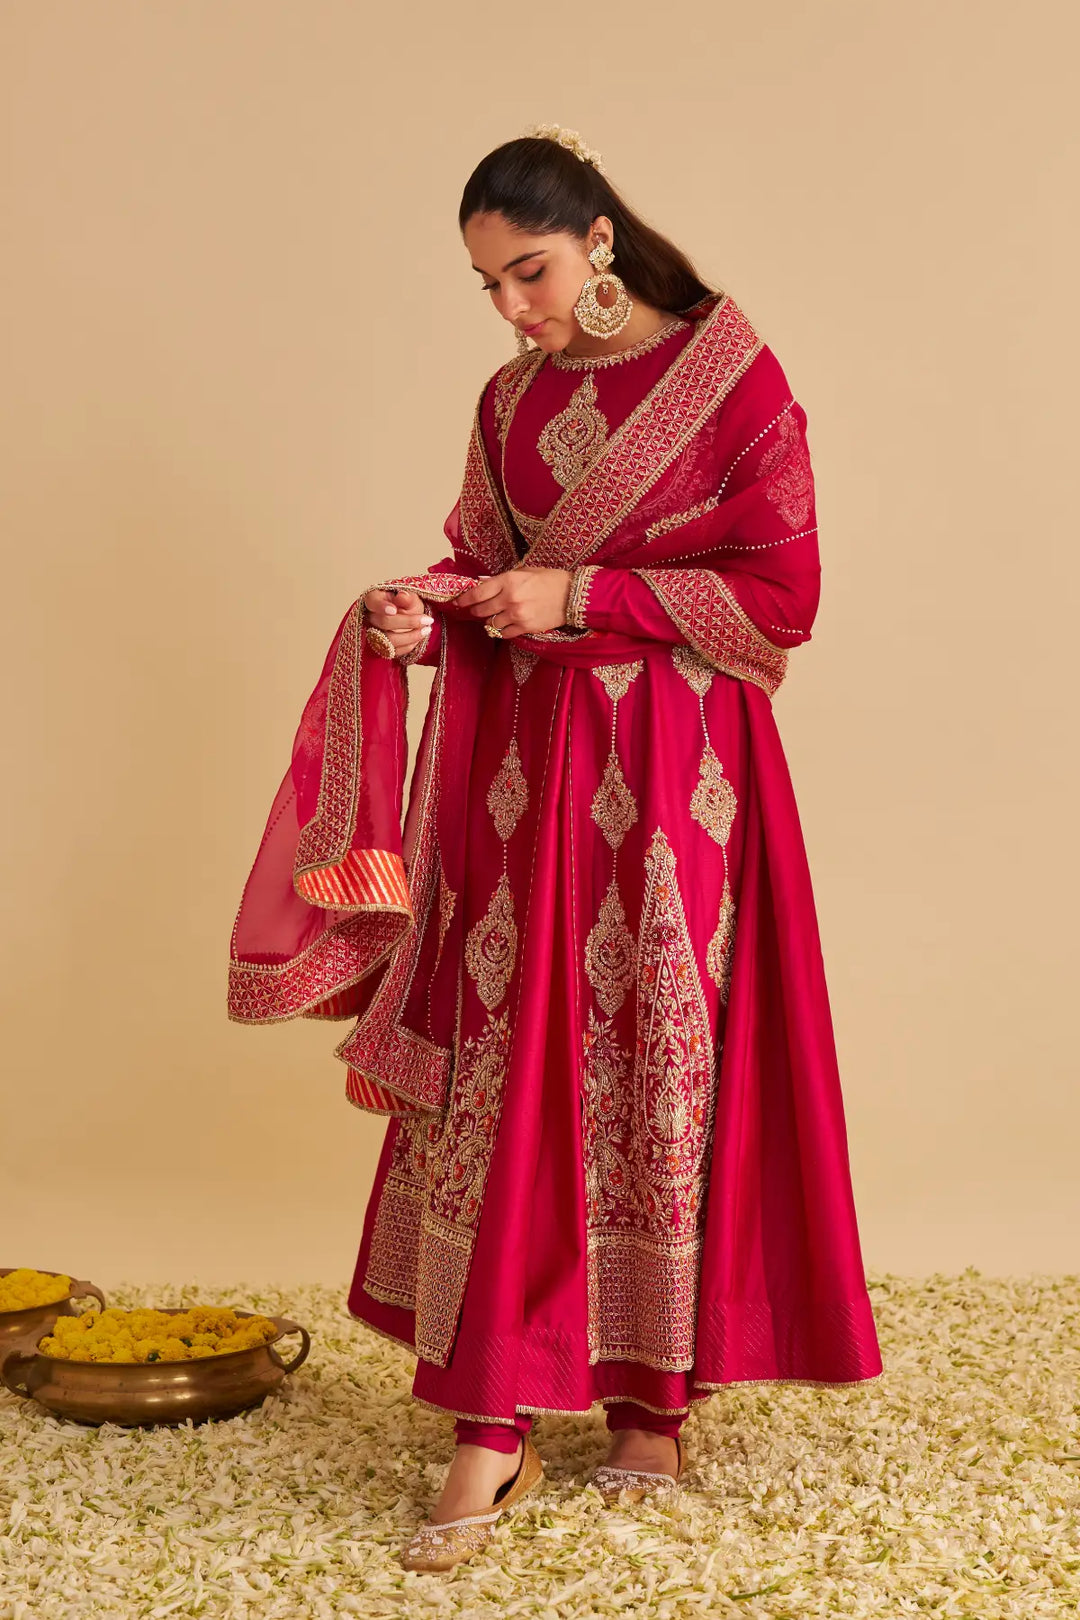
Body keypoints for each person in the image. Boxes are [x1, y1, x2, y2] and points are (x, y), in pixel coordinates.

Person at [228, 123, 883, 1574]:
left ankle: (654, 1398)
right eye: (487, 287)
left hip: (680, 768)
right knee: (517, 1051)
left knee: (662, 1038)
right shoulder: (506, 404)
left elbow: (780, 597)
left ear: (597, 239)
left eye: (527, 271)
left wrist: (580, 587)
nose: (515, 308)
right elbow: (478, 562)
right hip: (527, 777)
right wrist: (424, 613)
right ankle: (495, 1413)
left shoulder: (731, 378)